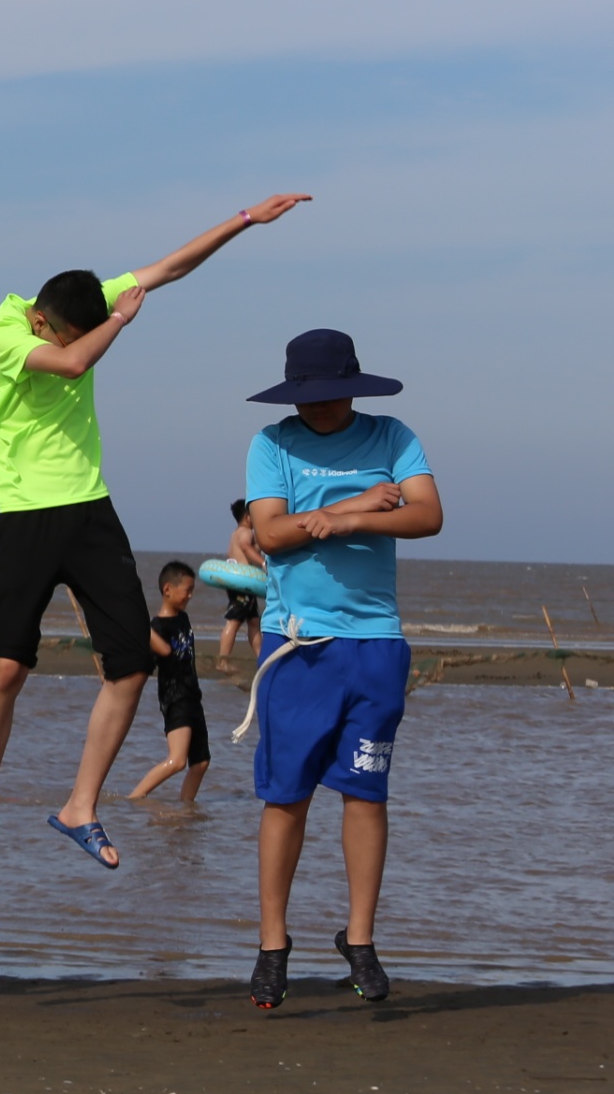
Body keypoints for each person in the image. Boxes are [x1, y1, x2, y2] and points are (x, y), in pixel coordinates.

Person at [0, 193, 311, 882]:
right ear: (41, 321)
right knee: (6, 668)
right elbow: (72, 365)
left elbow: (168, 268)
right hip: (25, 514)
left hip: (91, 509)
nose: (74, 342)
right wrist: (118, 321)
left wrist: (244, 221)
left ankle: (80, 807)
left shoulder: (89, 301)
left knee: (130, 665)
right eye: (68, 334)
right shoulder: (5, 332)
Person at [241, 329, 441, 1008]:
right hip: (298, 644)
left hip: (375, 643)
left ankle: (360, 940)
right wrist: (352, 505)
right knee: (286, 796)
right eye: (308, 396)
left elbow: (428, 515)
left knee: (366, 792)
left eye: (331, 394)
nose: (320, 406)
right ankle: (272, 946)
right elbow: (270, 534)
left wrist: (348, 523)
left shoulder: (392, 435)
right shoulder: (272, 444)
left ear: (353, 387)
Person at [125, 561, 209, 803]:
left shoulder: (183, 618)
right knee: (177, 760)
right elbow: (160, 651)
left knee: (201, 762)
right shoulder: (154, 628)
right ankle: (134, 798)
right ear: (168, 589)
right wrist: (140, 623)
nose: (190, 596)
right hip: (174, 697)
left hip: (192, 695)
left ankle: (186, 807)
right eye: (187, 590)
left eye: (192, 590)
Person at [215, 501, 263, 673]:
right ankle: (223, 661)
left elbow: (241, 551)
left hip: (240, 584)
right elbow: (246, 548)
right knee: (234, 621)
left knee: (254, 622)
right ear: (248, 517)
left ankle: (261, 658)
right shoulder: (246, 532)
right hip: (243, 584)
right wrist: (263, 563)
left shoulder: (235, 533)